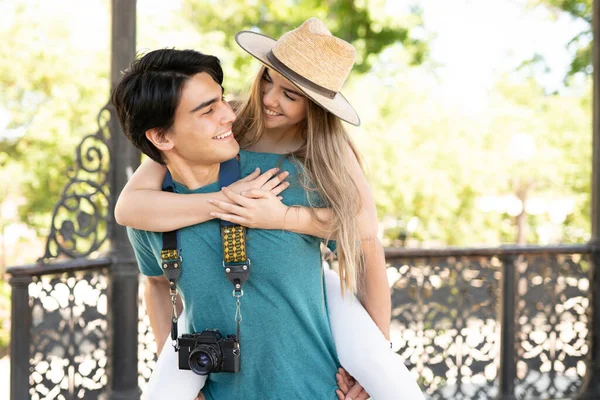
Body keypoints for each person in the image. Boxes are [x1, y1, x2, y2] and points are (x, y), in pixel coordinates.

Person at [115, 18, 391, 400]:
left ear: (315, 107)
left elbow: (365, 234)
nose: (268, 100)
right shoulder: (221, 133)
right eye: (266, 80)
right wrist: (183, 376)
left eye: (291, 96)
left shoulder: (315, 161)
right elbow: (130, 211)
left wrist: (375, 365)